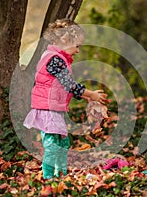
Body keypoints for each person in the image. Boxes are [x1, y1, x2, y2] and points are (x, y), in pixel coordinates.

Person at [23, 18, 107, 179]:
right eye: (77, 46)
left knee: (62, 142)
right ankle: (48, 177)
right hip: (47, 108)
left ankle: (61, 173)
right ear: (65, 40)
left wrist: (87, 97)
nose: (77, 51)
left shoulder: (58, 59)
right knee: (53, 144)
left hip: (53, 108)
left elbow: (64, 87)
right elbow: (69, 85)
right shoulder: (54, 59)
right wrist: (91, 94)